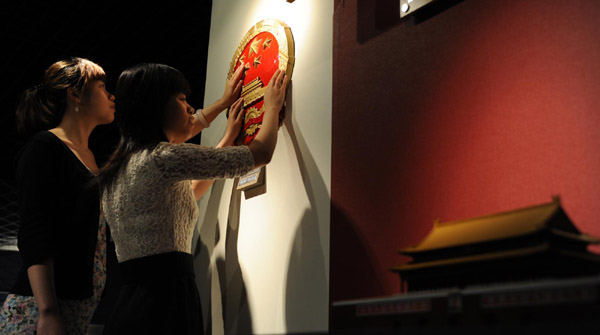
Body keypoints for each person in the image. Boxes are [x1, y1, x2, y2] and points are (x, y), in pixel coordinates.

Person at [98, 63, 288, 335]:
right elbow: (259, 154)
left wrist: (224, 123)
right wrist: (271, 107)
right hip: (167, 300)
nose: (191, 109)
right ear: (157, 105)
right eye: (182, 99)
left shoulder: (119, 169)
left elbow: (185, 196)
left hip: (132, 303)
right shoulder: (163, 157)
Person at [0, 57, 115, 335]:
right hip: (38, 311)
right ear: (75, 94)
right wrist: (48, 311)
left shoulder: (89, 158)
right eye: (101, 86)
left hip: (76, 309)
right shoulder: (44, 147)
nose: (112, 95)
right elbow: (35, 230)